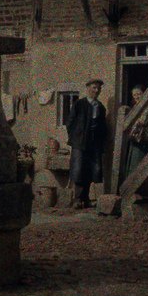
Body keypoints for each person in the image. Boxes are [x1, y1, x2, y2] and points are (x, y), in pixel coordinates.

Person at [65, 78, 108, 209]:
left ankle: (86, 198)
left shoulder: (100, 107)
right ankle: (77, 199)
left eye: (99, 88)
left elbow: (103, 126)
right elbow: (70, 123)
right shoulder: (79, 104)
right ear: (88, 88)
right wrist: (75, 137)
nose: (97, 91)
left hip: (94, 143)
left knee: (91, 170)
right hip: (80, 142)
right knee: (78, 169)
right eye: (94, 88)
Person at [123, 85, 148, 178]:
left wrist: (129, 122)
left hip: (145, 139)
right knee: (134, 164)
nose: (137, 96)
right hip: (137, 138)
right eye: (134, 95)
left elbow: (141, 121)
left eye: (139, 94)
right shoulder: (137, 106)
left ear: (144, 93)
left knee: (139, 165)